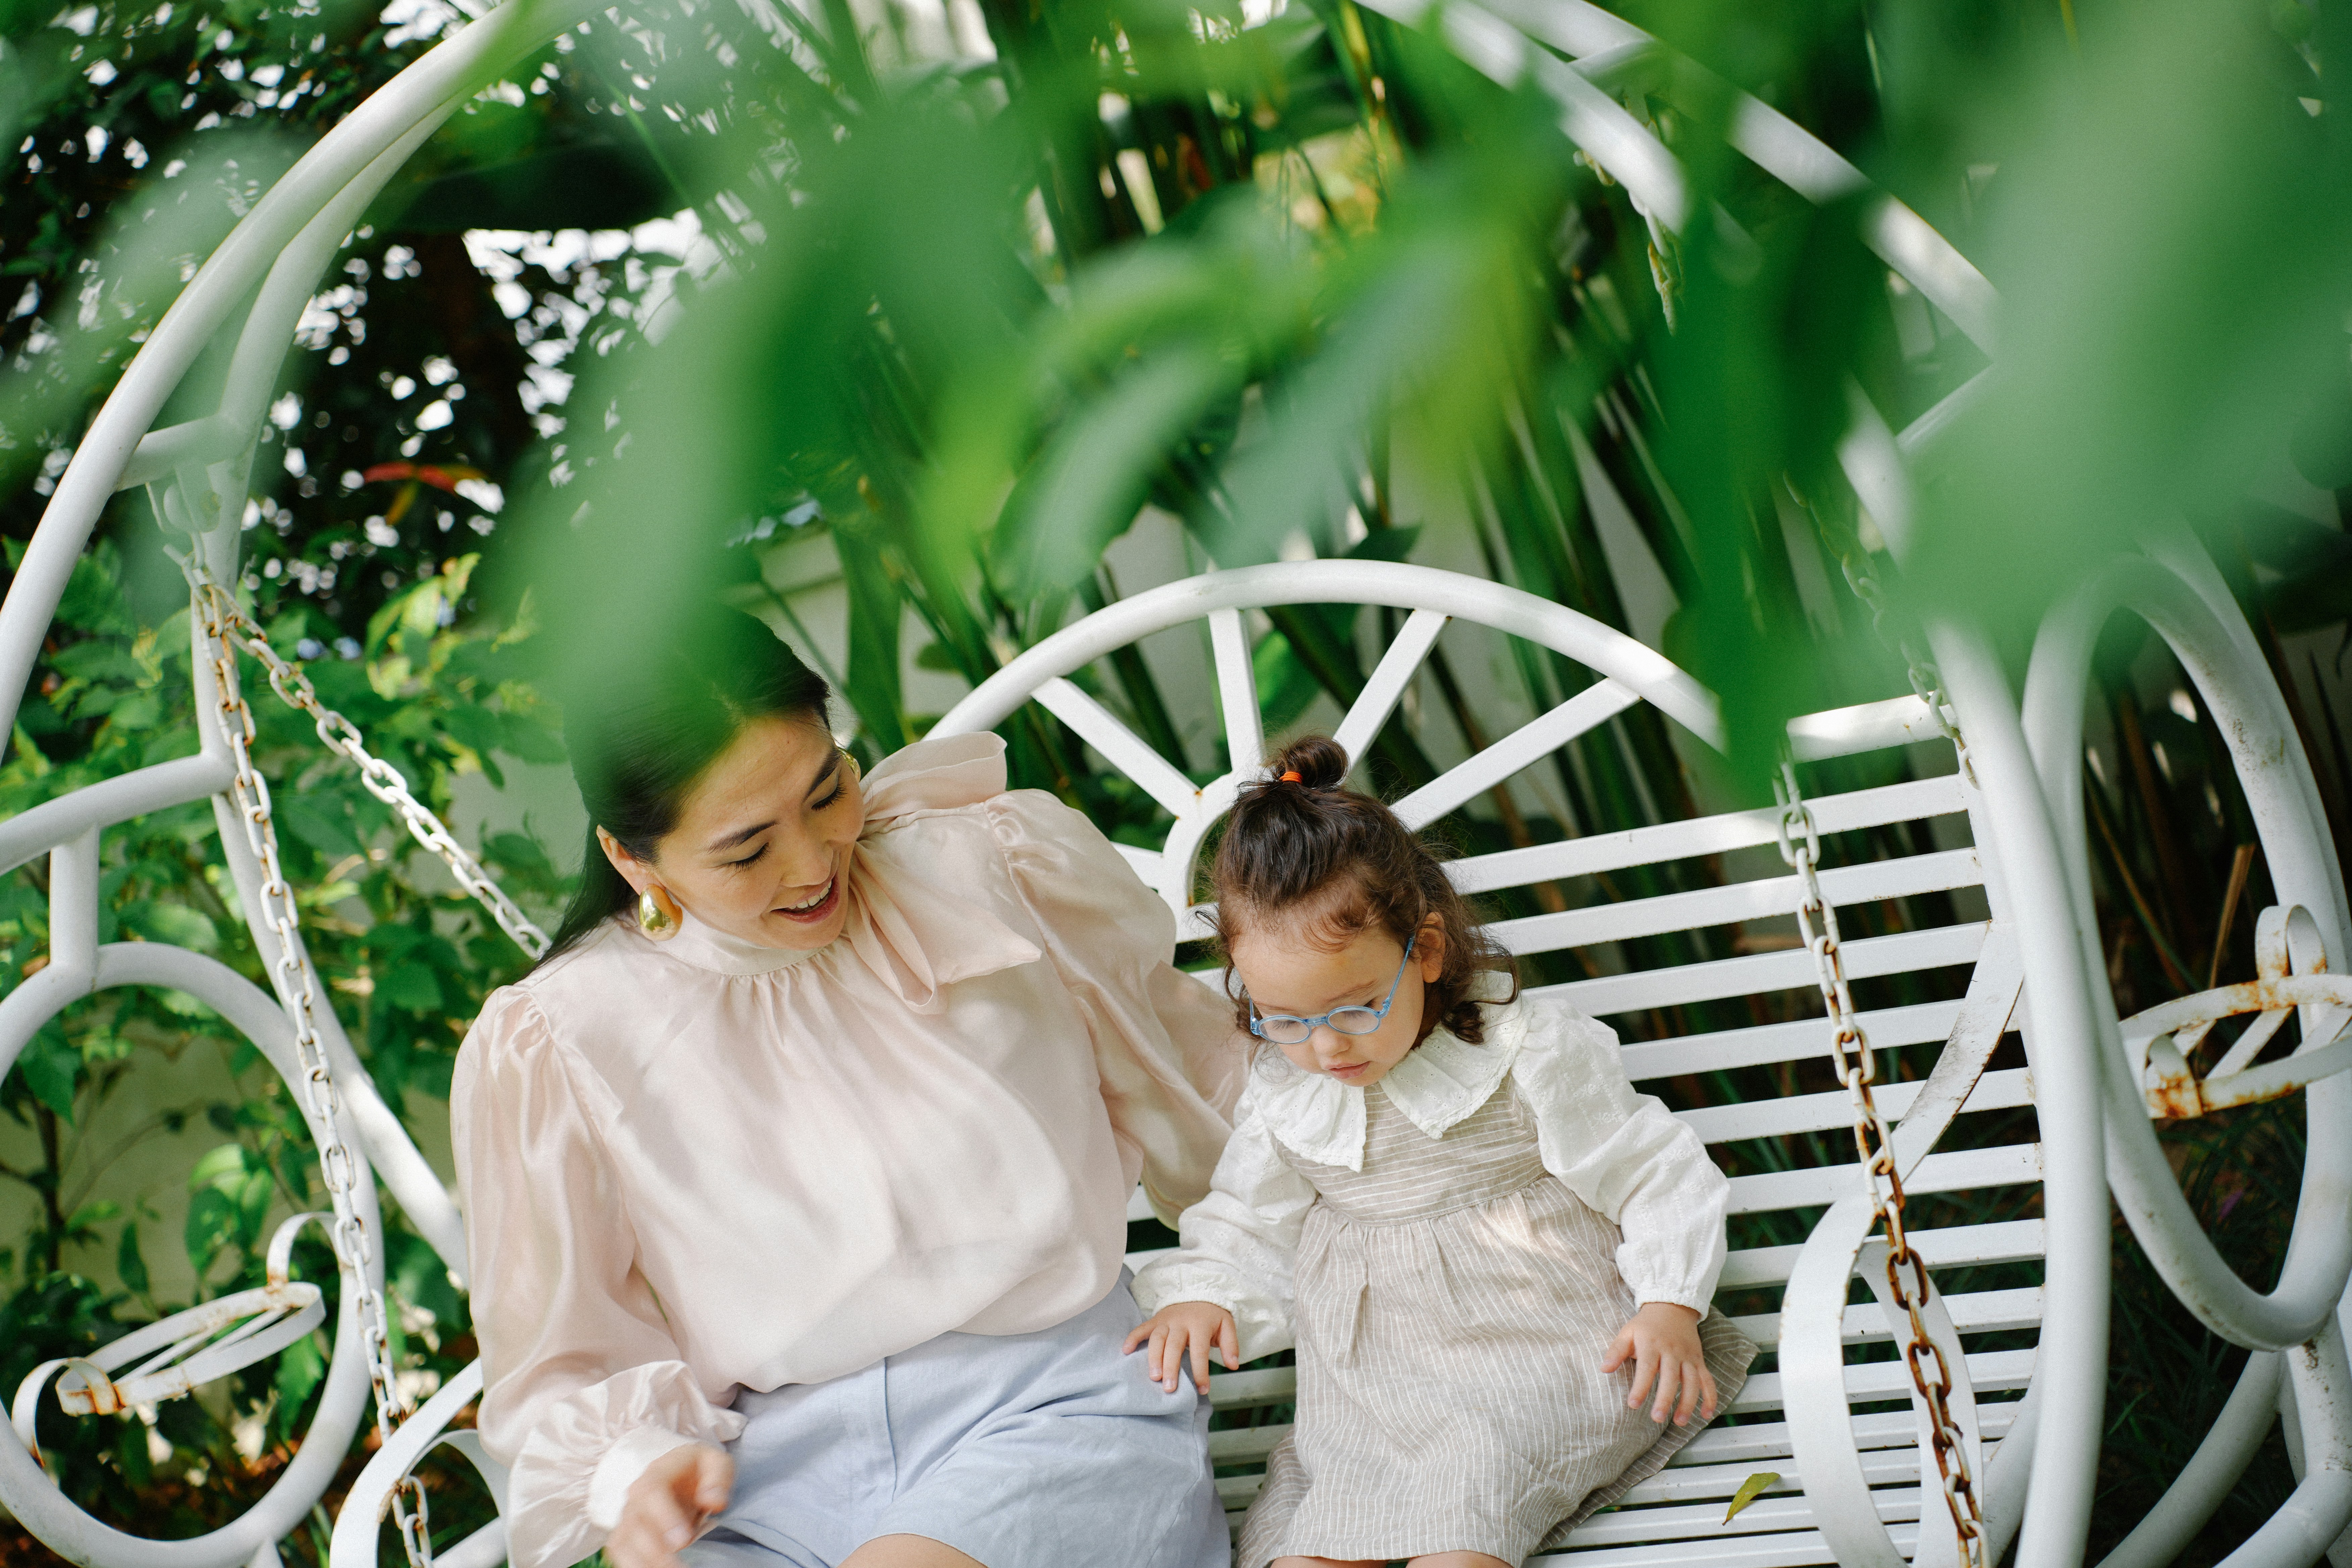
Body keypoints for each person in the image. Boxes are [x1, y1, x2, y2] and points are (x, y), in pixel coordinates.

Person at [453, 610, 1244, 1568]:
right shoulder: (562, 1037)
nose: (815, 861)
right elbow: (556, 1357)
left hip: (1058, 1402)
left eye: (827, 791)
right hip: (766, 1475)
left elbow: (1220, 1097)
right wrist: (637, 1467)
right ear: (633, 858)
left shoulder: (984, 867)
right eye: (747, 851)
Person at [1125, 735, 1756, 1568]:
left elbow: (1652, 1170)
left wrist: (1669, 1303)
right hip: (1376, 1394)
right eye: (1283, 1018)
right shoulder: (1289, 1092)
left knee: (1463, 1517)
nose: (1325, 1046)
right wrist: (1205, 1294)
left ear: (1424, 951)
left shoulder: (1524, 1052)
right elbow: (1251, 1217)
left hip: (1541, 1357)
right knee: (1305, 1550)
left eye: (1354, 1007)